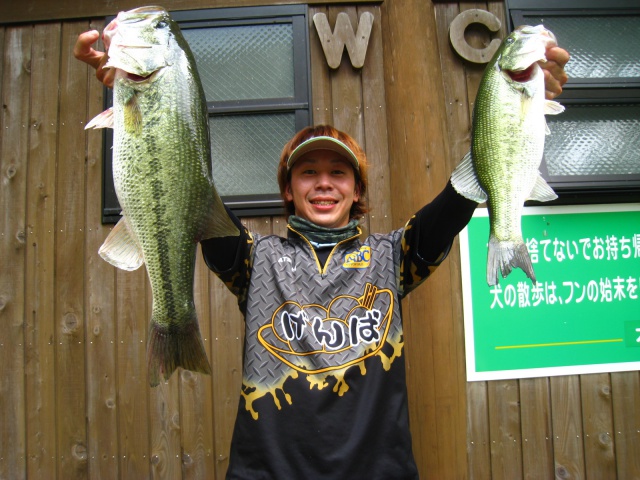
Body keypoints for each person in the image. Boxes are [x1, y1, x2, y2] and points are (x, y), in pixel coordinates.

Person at [75, 29, 569, 479]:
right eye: (308, 172)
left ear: (358, 190)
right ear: (288, 190)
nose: (325, 183)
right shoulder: (254, 259)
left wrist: (510, 114)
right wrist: (153, 105)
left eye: (340, 172)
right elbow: (190, 194)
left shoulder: (393, 257)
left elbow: (459, 198)